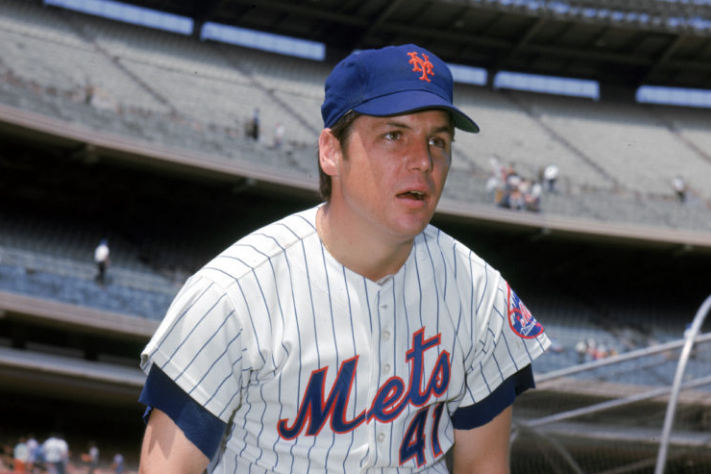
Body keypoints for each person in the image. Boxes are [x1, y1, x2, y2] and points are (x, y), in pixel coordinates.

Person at [137, 43, 550, 474]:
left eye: (438, 141)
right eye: (394, 136)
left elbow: (484, 467)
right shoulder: (232, 294)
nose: (424, 161)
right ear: (331, 151)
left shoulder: (481, 295)